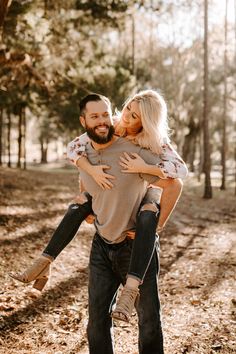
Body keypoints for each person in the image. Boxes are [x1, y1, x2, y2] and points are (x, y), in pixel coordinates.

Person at [10, 92, 187, 324]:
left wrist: (146, 167)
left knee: (147, 216)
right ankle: (44, 263)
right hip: (108, 222)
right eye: (127, 108)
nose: (125, 117)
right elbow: (74, 149)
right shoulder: (109, 125)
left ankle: (131, 289)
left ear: (145, 122)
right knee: (79, 203)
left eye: (134, 116)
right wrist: (91, 172)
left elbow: (180, 173)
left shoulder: (150, 141)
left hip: (145, 195)